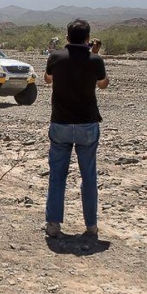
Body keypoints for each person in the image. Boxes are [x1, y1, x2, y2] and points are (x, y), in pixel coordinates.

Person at [44, 19, 109, 238]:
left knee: (57, 176)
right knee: (88, 176)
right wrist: (95, 54)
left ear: (67, 37)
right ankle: (91, 225)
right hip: (87, 124)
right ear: (88, 38)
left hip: (61, 122)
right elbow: (103, 83)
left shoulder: (55, 57)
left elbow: (47, 80)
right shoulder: (95, 60)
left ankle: (53, 224)